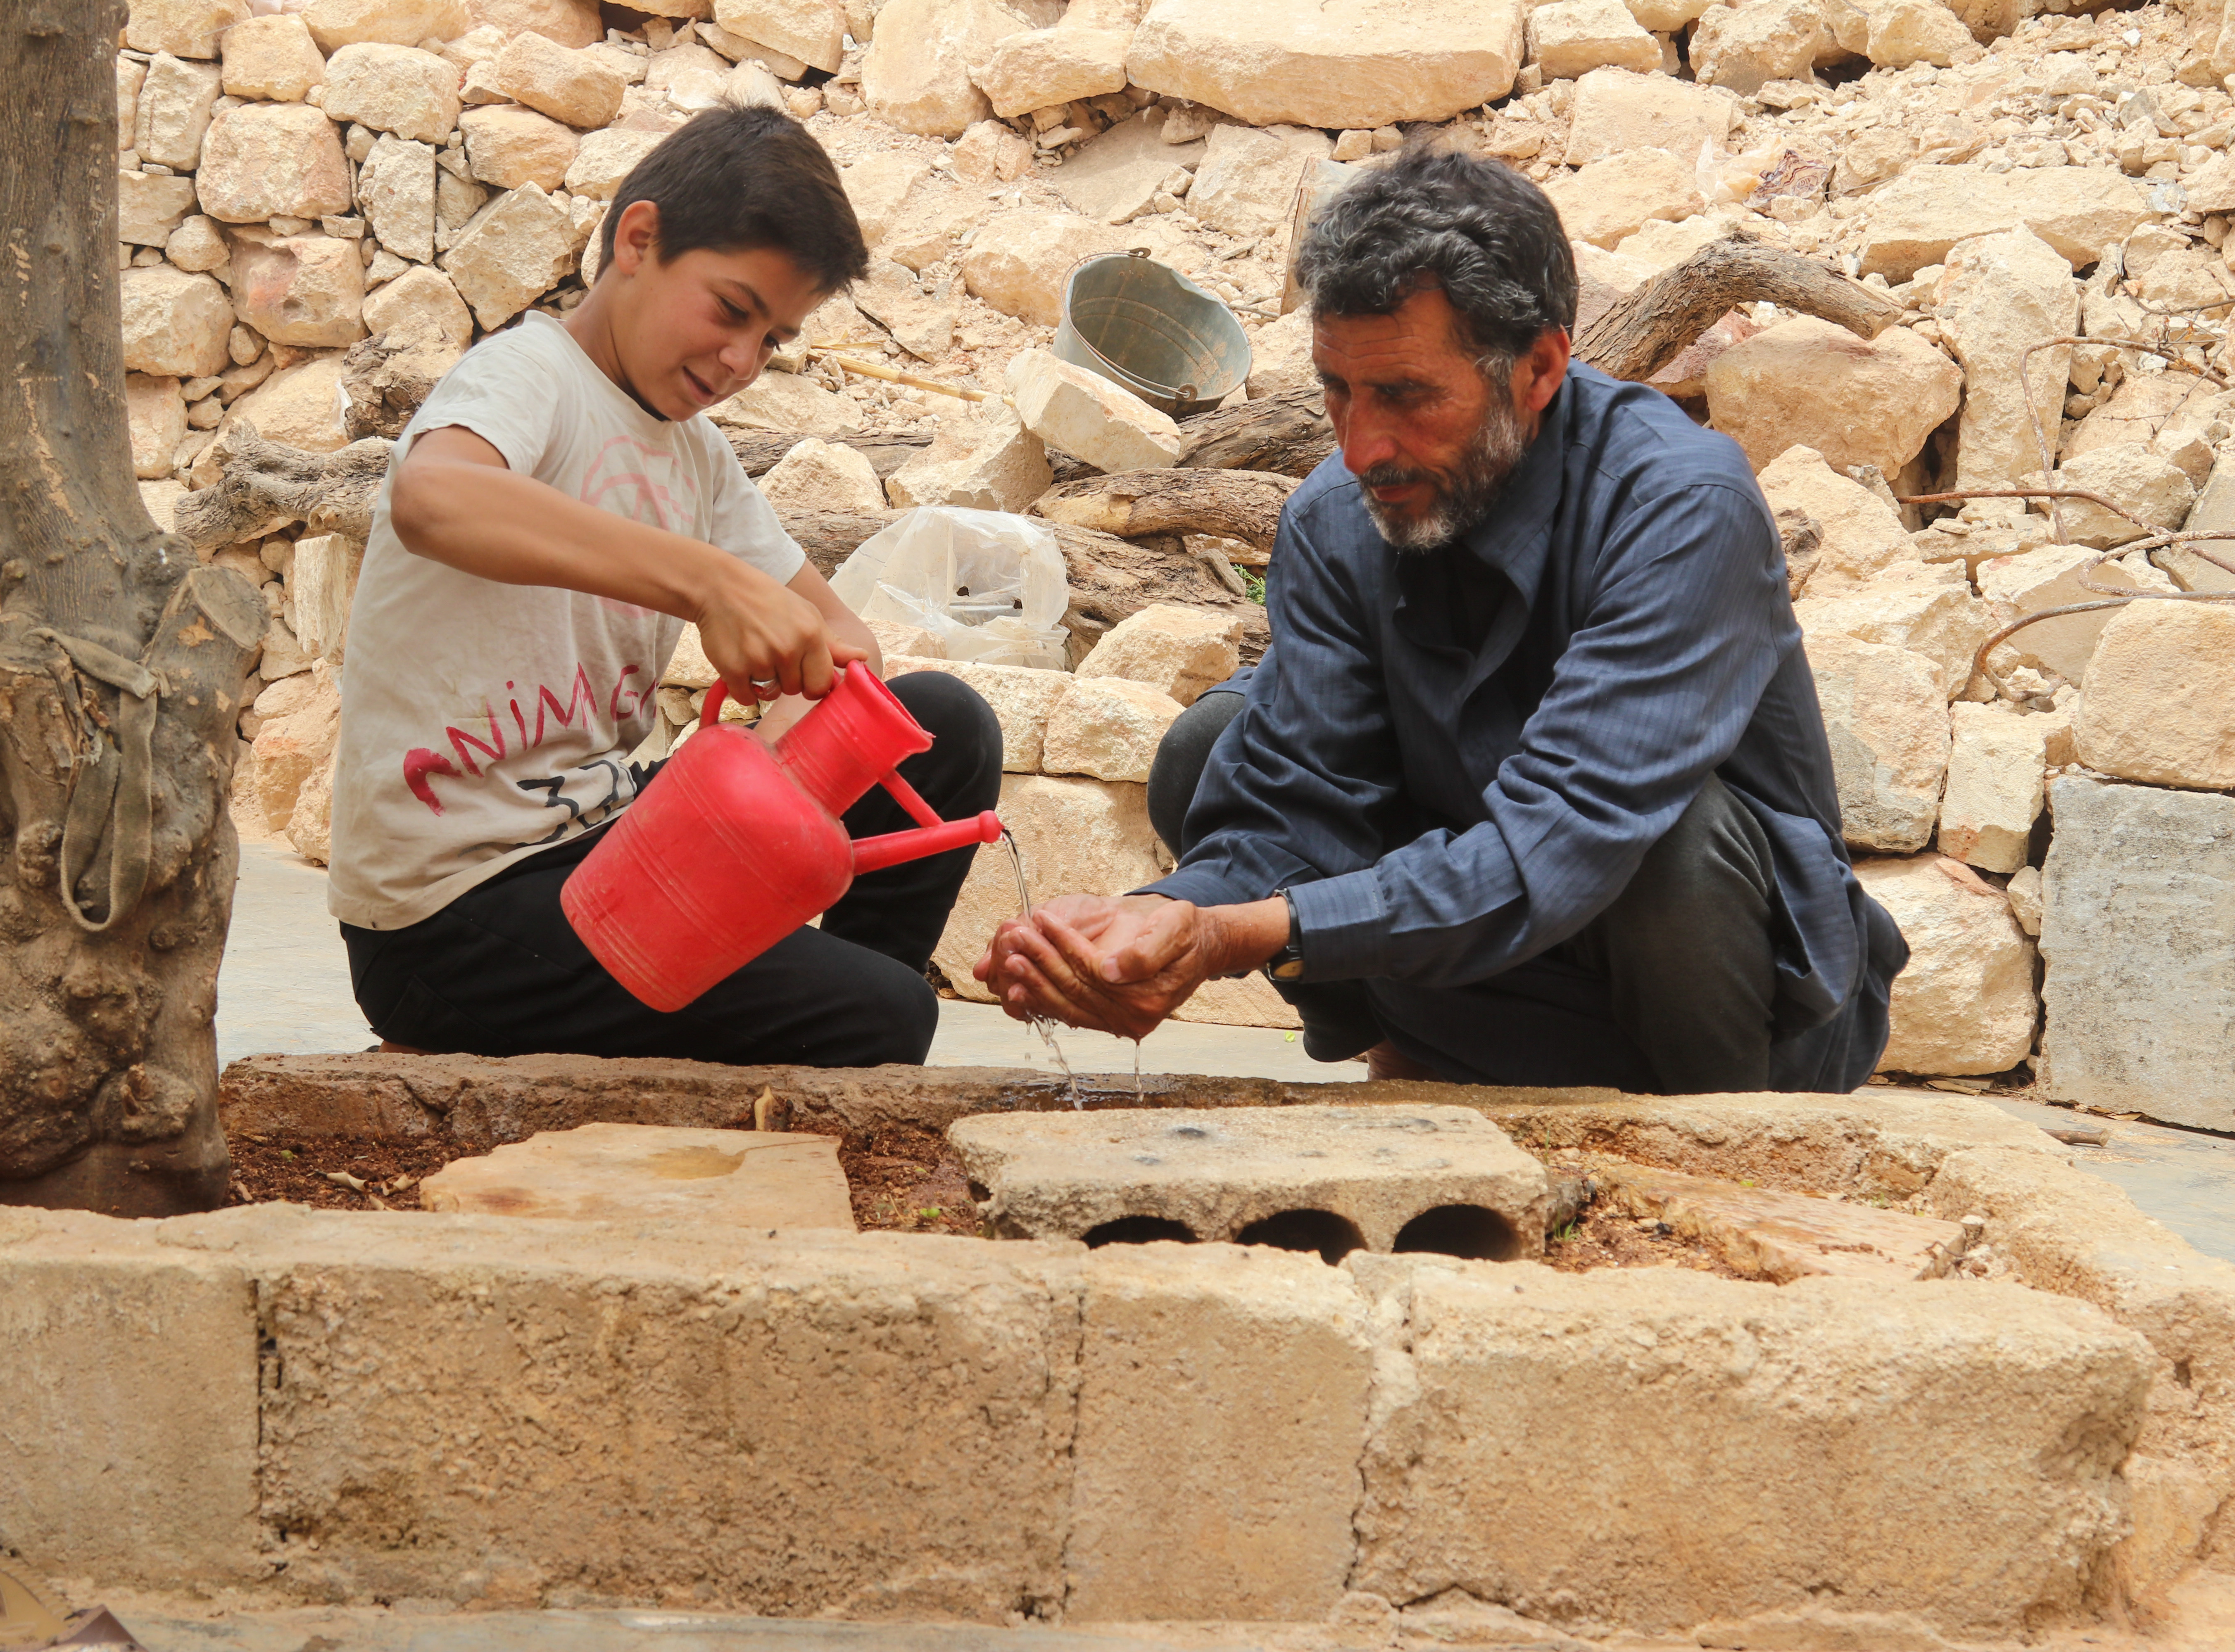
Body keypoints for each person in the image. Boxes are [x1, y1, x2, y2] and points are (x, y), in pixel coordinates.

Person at [977, 145, 1907, 1094]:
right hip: (1486, 973)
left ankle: (1712, 1136)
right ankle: (1410, 1057)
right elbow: (1302, 805)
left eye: (1407, 396)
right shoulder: (1337, 516)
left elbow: (1561, 835)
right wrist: (1157, 922)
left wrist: (1234, 933)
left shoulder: (1678, 506)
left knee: (1675, 842)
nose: (1361, 445)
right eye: (1337, 389)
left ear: (1540, 367)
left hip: (1722, 1010)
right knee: (1217, 745)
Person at [328, 104, 999, 1068]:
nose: (740, 362)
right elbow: (432, 497)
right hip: (457, 913)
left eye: (772, 340)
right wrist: (706, 582)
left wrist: (787, 725)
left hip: (609, 838)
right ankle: (815, 1014)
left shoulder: (697, 455)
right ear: (638, 240)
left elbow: (843, 639)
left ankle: (790, 1015)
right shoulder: (529, 376)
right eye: (731, 311)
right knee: (887, 1013)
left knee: (941, 726)